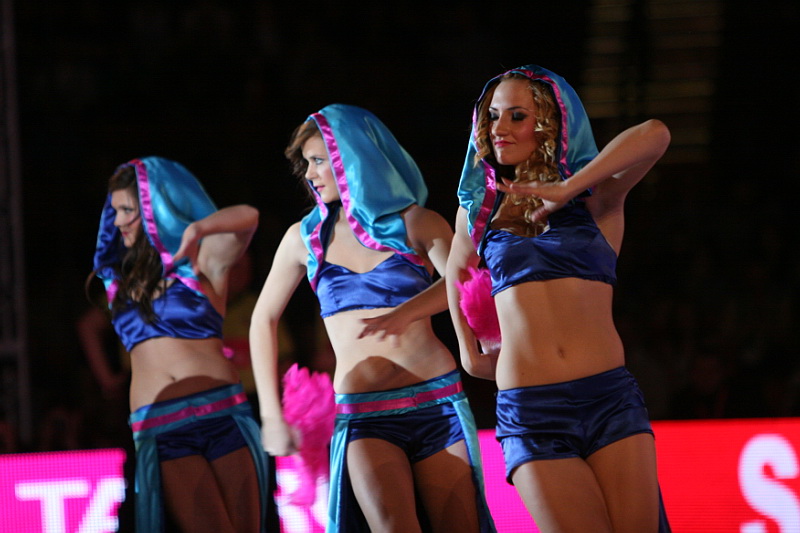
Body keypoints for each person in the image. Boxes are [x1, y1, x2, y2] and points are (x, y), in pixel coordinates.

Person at [446, 64, 672, 532]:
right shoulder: (481, 208)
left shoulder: (596, 200)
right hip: (531, 412)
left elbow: (656, 133)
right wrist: (468, 353)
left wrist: (568, 187)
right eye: (493, 116)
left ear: (550, 123)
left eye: (517, 116)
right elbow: (455, 271)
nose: (499, 128)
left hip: (609, 399)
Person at [250, 104, 495, 533]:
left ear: (353, 157)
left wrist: (407, 311)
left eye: (319, 160)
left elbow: (467, 282)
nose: (310, 174)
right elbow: (262, 320)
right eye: (306, 164)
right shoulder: (303, 239)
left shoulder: (417, 223)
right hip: (364, 415)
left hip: (436, 402)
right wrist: (271, 415)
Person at [89, 156, 269, 532]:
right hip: (162, 427)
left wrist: (197, 229)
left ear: (155, 208)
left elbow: (248, 217)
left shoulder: (201, 265)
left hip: (223, 413)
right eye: (115, 211)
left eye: (128, 210)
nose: (118, 220)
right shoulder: (118, 282)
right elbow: (87, 328)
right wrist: (107, 380)